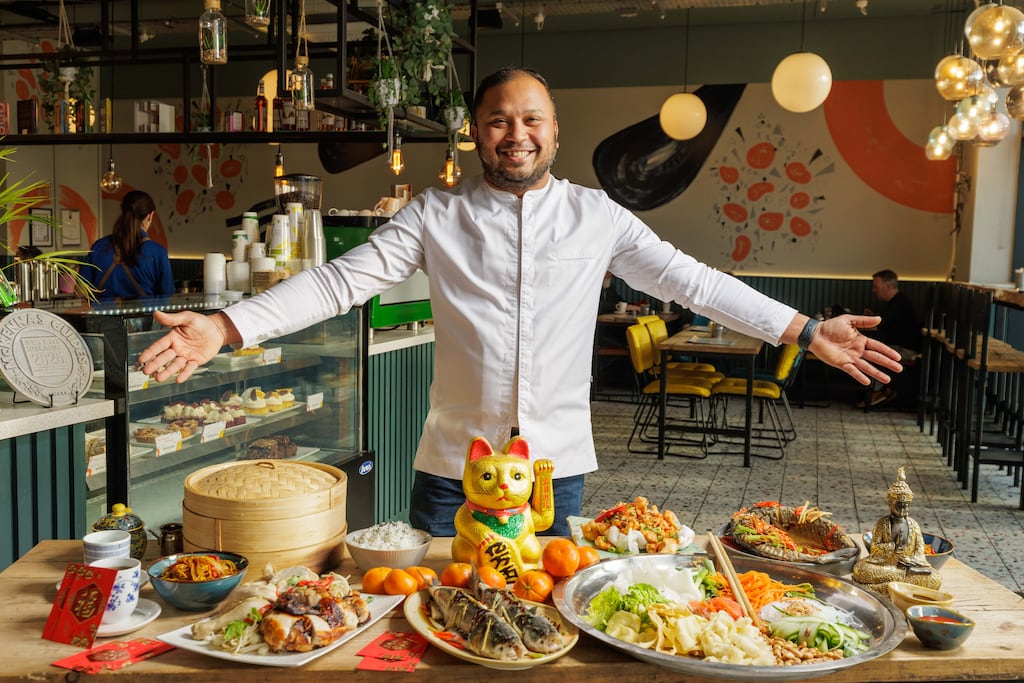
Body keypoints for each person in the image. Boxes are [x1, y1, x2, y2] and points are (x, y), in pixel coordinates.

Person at [136, 67, 902, 537]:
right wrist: (226, 325)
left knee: (549, 609)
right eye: (499, 120)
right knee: (440, 603)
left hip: (554, 464)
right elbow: (341, 281)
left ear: (555, 133)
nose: (516, 133)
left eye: (531, 119)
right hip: (451, 463)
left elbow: (692, 281)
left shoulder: (597, 215)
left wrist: (802, 327)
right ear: (476, 133)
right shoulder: (435, 215)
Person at [852, 467, 941, 596]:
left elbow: (920, 550)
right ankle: (902, 586)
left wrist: (912, 561)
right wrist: (892, 546)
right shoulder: (882, 523)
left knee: (935, 578)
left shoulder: (913, 525)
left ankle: (880, 588)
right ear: (890, 503)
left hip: (908, 567)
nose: (903, 510)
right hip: (886, 567)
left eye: (906, 506)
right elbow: (874, 547)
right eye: (899, 505)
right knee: (861, 570)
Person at [81, 190, 174, 298]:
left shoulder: (98, 247)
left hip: (100, 314)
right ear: (150, 216)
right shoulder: (158, 253)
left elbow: (81, 291)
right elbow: (167, 300)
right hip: (145, 315)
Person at [859, 269, 921, 407]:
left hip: (906, 350)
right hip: (899, 346)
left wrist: (871, 319)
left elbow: (884, 322)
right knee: (869, 351)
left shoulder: (900, 303)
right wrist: (874, 316)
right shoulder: (897, 302)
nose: (874, 290)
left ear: (888, 286)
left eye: (876, 287)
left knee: (869, 354)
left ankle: (878, 392)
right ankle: (882, 390)